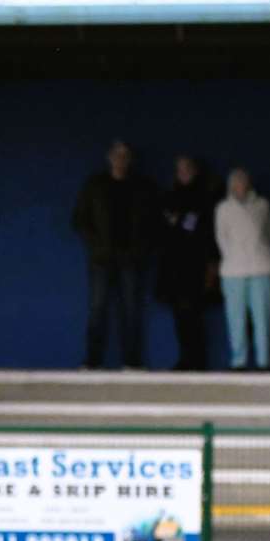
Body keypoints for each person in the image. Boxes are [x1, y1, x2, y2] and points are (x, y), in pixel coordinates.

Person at [72, 141, 157, 369]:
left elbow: (152, 222)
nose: (120, 159)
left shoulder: (141, 187)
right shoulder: (95, 185)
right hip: (101, 259)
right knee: (97, 309)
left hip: (131, 260)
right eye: (117, 155)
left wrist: (140, 249)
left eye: (125, 155)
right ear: (109, 158)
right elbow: (80, 219)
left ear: (130, 159)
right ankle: (92, 362)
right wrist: (96, 246)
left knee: (131, 311)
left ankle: (132, 363)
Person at [157, 155, 219, 371]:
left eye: (187, 168)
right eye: (180, 169)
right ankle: (185, 358)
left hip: (196, 267)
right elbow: (166, 227)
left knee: (194, 314)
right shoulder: (169, 196)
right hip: (174, 267)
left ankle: (198, 360)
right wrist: (179, 223)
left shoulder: (205, 197)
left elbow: (202, 229)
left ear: (195, 171)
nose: (184, 173)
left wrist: (181, 222)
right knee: (180, 315)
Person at [214, 168, 270, 370]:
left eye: (243, 182)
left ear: (248, 185)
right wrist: (234, 256)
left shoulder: (262, 205)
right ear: (230, 186)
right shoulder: (223, 209)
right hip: (233, 271)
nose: (239, 186)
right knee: (236, 319)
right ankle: (238, 362)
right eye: (235, 183)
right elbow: (221, 238)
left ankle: (263, 362)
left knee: (263, 319)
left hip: (262, 269)